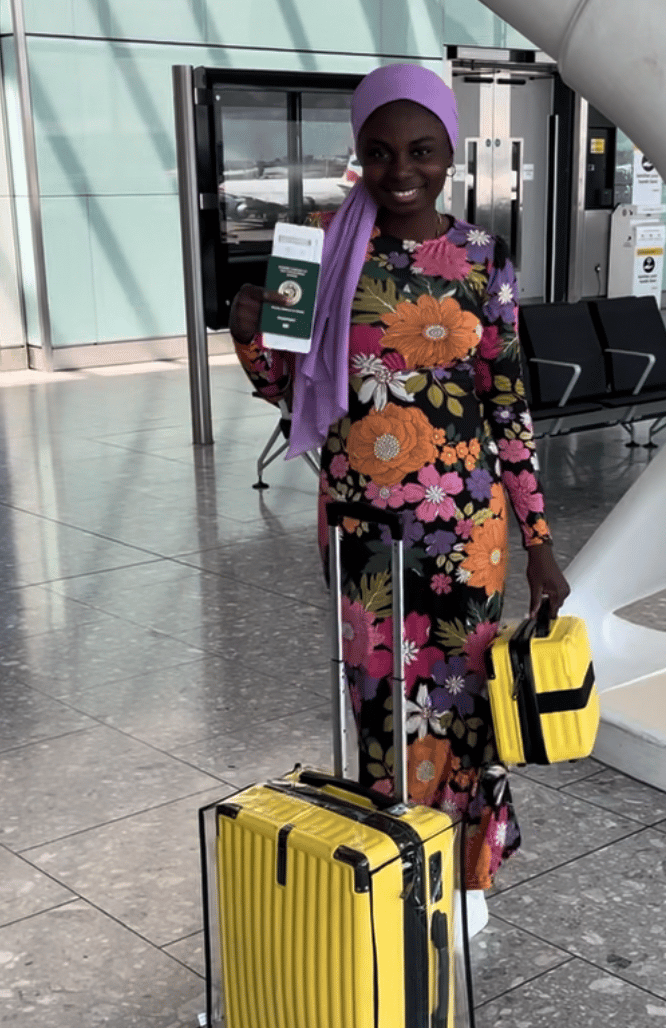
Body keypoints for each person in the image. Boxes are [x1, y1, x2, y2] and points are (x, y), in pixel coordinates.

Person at [230, 63, 570, 935]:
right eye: (378, 151)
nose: (400, 169)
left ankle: (466, 875)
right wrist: (248, 325)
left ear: (451, 152)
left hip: (465, 527)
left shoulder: (481, 258)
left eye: (421, 150)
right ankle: (397, 864)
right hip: (361, 524)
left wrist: (537, 539)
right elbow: (284, 387)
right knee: (380, 703)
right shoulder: (315, 245)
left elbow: (507, 402)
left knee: (463, 706)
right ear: (359, 153)